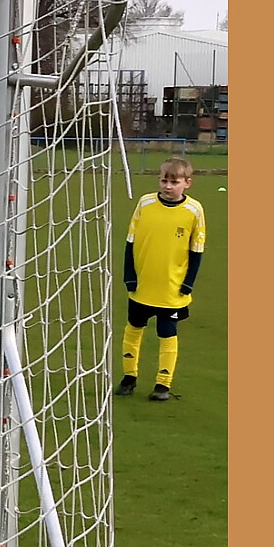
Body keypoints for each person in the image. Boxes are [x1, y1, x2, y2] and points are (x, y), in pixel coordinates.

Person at [119, 156, 210, 402]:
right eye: (164, 181)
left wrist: (188, 283)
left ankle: (163, 384)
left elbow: (197, 250)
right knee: (133, 329)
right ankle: (129, 377)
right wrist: (129, 276)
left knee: (167, 333)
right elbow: (130, 242)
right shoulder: (145, 203)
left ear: (187, 183)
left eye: (174, 182)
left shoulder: (194, 210)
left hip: (172, 289)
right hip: (142, 286)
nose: (168, 186)